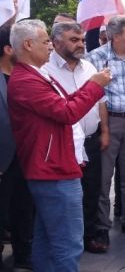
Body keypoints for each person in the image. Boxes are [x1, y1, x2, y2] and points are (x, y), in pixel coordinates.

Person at [8, 19, 110, 271]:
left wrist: (90, 85)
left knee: (46, 239)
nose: (50, 46)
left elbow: (64, 104)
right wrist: (94, 85)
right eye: (45, 42)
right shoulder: (26, 80)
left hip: (54, 165)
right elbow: (66, 112)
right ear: (28, 44)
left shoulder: (36, 73)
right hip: (53, 169)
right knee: (68, 243)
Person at [44, 22, 110, 254]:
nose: (81, 44)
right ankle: (62, 241)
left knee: (91, 190)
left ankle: (88, 235)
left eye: (82, 39)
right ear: (56, 42)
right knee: (66, 195)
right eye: (74, 40)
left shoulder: (89, 67)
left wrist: (105, 131)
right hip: (63, 144)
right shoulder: (45, 70)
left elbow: (100, 102)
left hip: (90, 140)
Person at [86, 16, 125, 248]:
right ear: (115, 36)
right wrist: (103, 129)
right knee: (104, 177)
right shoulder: (96, 57)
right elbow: (94, 95)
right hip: (108, 122)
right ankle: (102, 225)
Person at [0, 24, 33, 269]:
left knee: (25, 209)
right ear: (8, 49)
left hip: (27, 157)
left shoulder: (29, 76)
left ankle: (24, 255)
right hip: (3, 159)